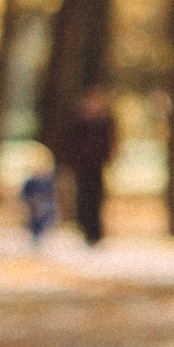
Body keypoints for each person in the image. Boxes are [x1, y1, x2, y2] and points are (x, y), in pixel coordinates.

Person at [60, 87, 117, 246]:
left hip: (97, 166)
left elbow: (110, 143)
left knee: (96, 198)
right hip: (81, 166)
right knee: (82, 198)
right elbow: (70, 144)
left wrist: (108, 157)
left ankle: (95, 232)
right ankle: (85, 228)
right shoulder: (79, 122)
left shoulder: (104, 122)